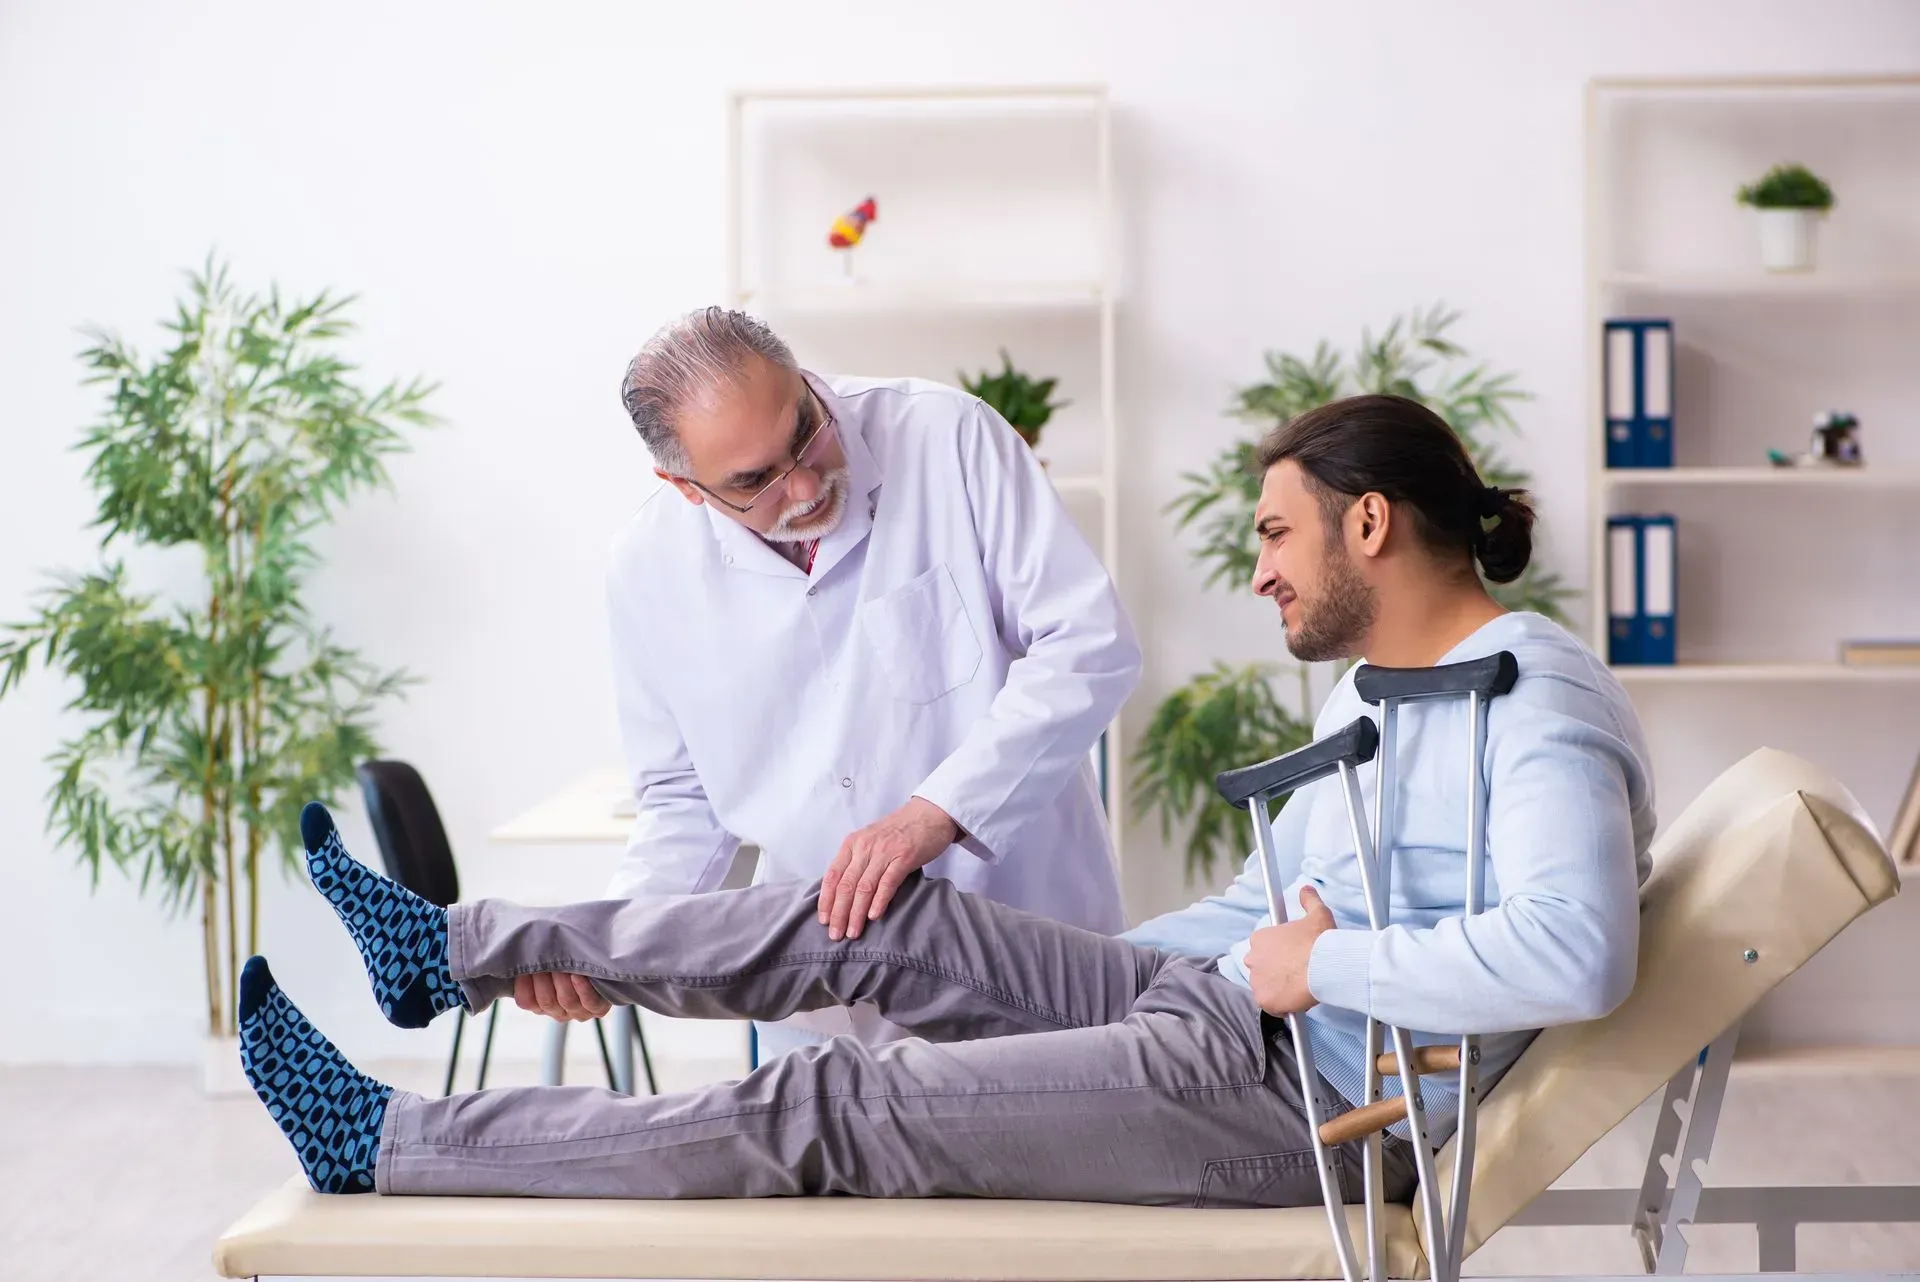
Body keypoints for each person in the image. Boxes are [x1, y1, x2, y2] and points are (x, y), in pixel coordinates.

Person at [242, 393, 1655, 1209]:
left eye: (1274, 533)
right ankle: (450, 948)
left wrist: (1312, 961)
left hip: (1305, 1104)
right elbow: (1265, 913)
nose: (1262, 571)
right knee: (871, 919)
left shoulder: (1536, 696)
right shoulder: (1374, 692)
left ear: (1370, 523)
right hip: (1217, 1009)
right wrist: (1115, 974)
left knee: (837, 1097)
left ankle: (390, 1140)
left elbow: (1578, 951)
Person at [535, 308, 1137, 1056]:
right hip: (826, 1003)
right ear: (685, 486)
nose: (806, 485)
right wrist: (612, 936)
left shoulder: (948, 437)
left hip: (1029, 941)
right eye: (755, 480)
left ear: (805, 379)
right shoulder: (648, 568)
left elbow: (1088, 642)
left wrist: (938, 811)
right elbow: (683, 800)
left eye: (804, 432)